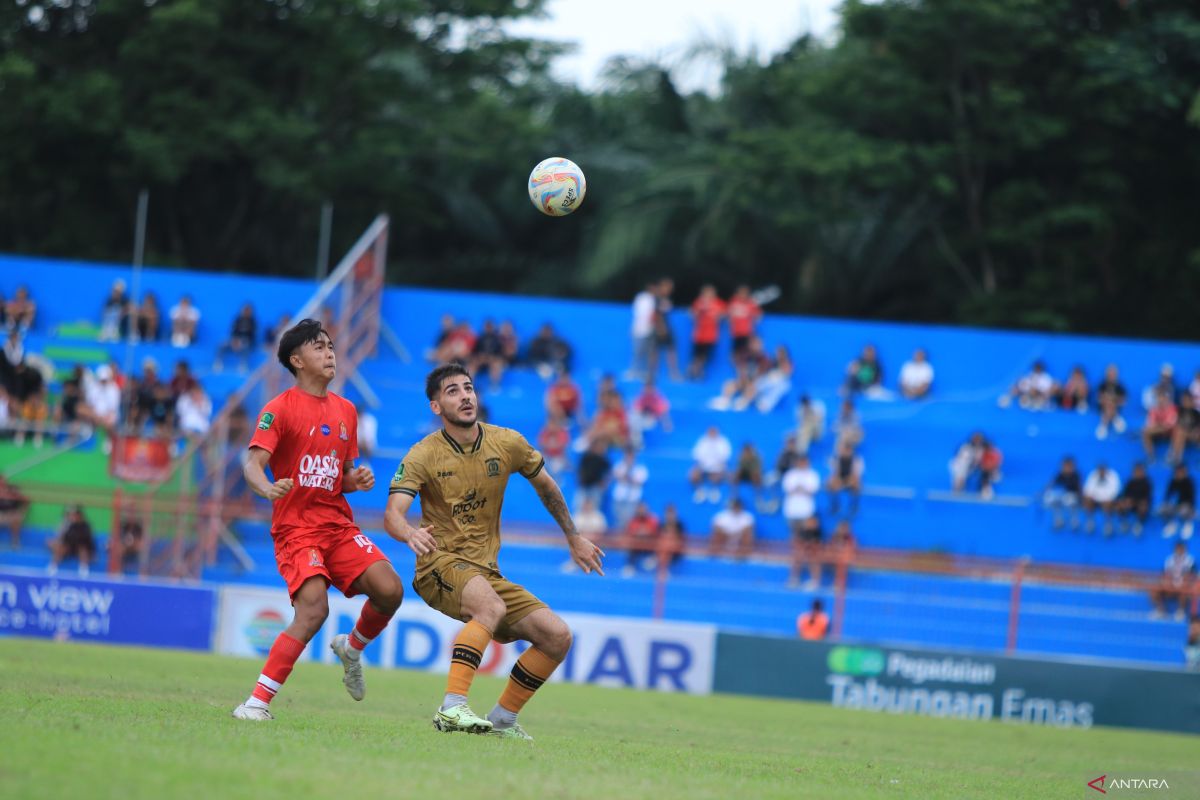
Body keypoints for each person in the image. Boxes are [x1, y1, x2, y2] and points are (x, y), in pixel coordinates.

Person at [384, 363, 606, 740]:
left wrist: (573, 536)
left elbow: (547, 486)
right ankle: (452, 708)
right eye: (452, 391)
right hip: (438, 563)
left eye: (468, 387)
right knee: (490, 607)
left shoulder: (506, 442)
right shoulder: (423, 454)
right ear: (436, 407)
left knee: (557, 636)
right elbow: (392, 514)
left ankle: (503, 719)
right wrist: (408, 533)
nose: (465, 395)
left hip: (485, 572)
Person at [232, 319, 406, 722]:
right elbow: (252, 465)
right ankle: (256, 703)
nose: (330, 353)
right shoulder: (278, 409)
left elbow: (338, 475)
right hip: (297, 529)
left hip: (337, 525)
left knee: (390, 589)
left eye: (330, 346)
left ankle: (353, 648)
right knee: (313, 611)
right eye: (319, 347)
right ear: (296, 360)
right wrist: (266, 488)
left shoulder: (346, 410)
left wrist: (355, 480)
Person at [687, 284, 725, 380]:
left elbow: (724, 315)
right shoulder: (699, 302)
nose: (709, 294)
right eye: (707, 292)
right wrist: (699, 312)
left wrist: (719, 316)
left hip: (711, 335)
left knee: (705, 356)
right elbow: (691, 314)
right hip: (699, 334)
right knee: (696, 355)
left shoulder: (718, 303)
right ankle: (692, 372)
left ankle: (699, 372)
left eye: (711, 292)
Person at [1150, 541, 1196, 621]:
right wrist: (1167, 582)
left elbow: (1191, 576)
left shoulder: (1190, 561)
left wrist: (1181, 583)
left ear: (1184, 549)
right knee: (1153, 589)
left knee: (1184, 589)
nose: (1179, 551)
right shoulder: (1169, 560)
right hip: (1170, 584)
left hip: (1183, 585)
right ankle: (1160, 610)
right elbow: (1164, 574)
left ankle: (1180, 611)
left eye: (1181, 549)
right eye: (1177, 549)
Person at [689, 426, 732, 504]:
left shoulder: (723, 441)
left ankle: (714, 489)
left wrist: (719, 466)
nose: (712, 433)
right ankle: (699, 491)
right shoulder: (702, 441)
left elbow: (726, 456)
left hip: (717, 467)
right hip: (703, 466)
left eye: (714, 431)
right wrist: (698, 466)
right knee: (692, 473)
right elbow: (696, 455)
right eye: (710, 431)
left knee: (719, 472)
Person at [611, 448, 649, 535]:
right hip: (619, 499)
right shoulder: (619, 465)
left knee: (628, 522)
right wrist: (628, 472)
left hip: (633, 500)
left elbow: (638, 481)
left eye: (631, 456)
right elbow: (618, 476)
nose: (629, 458)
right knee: (618, 522)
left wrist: (627, 478)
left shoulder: (640, 469)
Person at [48, 505, 94, 576]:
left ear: (79, 515)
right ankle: (52, 567)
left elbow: (86, 540)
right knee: (61, 548)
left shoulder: (85, 525)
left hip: (81, 548)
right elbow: (64, 538)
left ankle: (83, 569)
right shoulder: (69, 524)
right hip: (69, 547)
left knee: (83, 550)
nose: (72, 516)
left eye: (74, 515)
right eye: (71, 515)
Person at [1043, 456, 1083, 531]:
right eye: (1064, 466)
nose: (1066, 468)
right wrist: (1046, 489)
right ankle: (1058, 520)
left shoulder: (1076, 475)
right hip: (1063, 496)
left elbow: (1079, 489)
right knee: (1054, 500)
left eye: (1068, 466)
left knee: (1070, 501)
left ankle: (1074, 521)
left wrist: (1080, 498)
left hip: (1074, 497)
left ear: (1072, 466)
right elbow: (1053, 484)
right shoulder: (1060, 474)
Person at [215, 302, 257, 373]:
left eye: (248, 310)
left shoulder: (253, 322)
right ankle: (218, 362)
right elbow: (233, 332)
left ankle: (243, 365)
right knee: (221, 344)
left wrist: (241, 342)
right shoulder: (237, 320)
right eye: (244, 310)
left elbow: (252, 335)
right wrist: (234, 341)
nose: (246, 312)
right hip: (235, 340)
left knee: (246, 346)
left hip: (246, 341)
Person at [622, 501, 662, 576]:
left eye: (643, 508)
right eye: (640, 509)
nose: (641, 510)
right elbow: (631, 532)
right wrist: (640, 532)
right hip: (637, 545)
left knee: (658, 545)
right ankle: (630, 567)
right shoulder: (634, 520)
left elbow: (654, 531)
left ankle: (653, 560)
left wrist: (646, 532)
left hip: (650, 545)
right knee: (632, 548)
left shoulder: (652, 519)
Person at [1082, 462, 1121, 536]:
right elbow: (1087, 489)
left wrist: (1107, 498)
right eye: (1100, 470)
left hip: (1108, 499)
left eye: (1103, 470)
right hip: (1095, 499)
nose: (1101, 472)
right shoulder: (1093, 475)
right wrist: (1089, 496)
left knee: (1107, 504)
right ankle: (1090, 521)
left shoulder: (1113, 476)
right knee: (1087, 501)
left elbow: (1116, 490)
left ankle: (1108, 524)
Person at [827, 441, 865, 517]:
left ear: (851, 451)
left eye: (848, 450)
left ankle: (854, 505)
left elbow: (857, 475)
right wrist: (839, 481)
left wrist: (848, 482)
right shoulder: (835, 459)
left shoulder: (858, 460)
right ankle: (835, 505)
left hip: (851, 479)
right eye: (843, 450)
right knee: (830, 483)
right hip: (840, 479)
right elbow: (834, 474)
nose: (845, 452)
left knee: (857, 484)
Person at [727, 285, 762, 366]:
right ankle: (735, 366)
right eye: (741, 292)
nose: (743, 294)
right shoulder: (733, 301)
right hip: (735, 332)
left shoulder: (750, 302)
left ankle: (744, 367)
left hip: (746, 332)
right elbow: (727, 313)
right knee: (735, 351)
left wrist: (756, 319)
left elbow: (758, 314)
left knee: (746, 352)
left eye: (745, 293)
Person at [1160, 462, 1196, 540]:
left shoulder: (1189, 482)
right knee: (1163, 508)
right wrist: (1167, 503)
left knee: (1184, 509)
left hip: (1186, 504)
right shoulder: (1173, 481)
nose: (1179, 474)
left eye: (1181, 472)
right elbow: (1168, 495)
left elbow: (1192, 498)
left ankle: (1188, 524)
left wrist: (1190, 507)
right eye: (1177, 472)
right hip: (1174, 504)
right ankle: (1172, 524)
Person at [628, 281, 657, 379]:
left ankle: (644, 372)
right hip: (639, 329)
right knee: (637, 351)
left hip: (649, 329)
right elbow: (639, 313)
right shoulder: (641, 298)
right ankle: (634, 370)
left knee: (647, 352)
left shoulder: (654, 299)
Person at [1115, 462, 1152, 537]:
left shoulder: (1147, 483)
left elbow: (1147, 497)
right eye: (1136, 471)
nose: (1137, 473)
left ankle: (1139, 524)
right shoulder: (1130, 482)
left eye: (1139, 471)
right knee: (1120, 504)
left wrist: (1134, 500)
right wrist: (1126, 500)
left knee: (1143, 505)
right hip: (1130, 503)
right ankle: (1124, 522)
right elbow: (1124, 494)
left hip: (1142, 503)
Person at [1142, 391, 1178, 463]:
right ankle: (1151, 456)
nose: (1161, 400)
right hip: (1158, 432)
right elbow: (1150, 424)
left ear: (1167, 399)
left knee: (1178, 430)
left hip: (1169, 433)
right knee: (1144, 431)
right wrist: (1160, 427)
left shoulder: (1173, 408)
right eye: (1159, 398)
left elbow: (1170, 425)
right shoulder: (1153, 409)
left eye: (1163, 398)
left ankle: (1173, 455)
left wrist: (1159, 426)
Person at [1095, 363, 1128, 440]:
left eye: (1113, 374)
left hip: (1116, 407)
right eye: (1110, 374)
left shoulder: (1120, 387)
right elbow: (1099, 399)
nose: (1111, 376)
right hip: (1102, 408)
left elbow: (1124, 401)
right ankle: (1115, 419)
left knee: (1110, 403)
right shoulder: (1102, 385)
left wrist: (1112, 399)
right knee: (1108, 403)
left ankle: (1103, 426)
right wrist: (1110, 399)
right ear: (1106, 374)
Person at [1168, 393, 1200, 465]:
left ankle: (1174, 455)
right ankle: (1177, 457)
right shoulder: (1179, 411)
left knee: (1181, 432)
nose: (1186, 403)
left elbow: (1197, 428)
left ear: (1192, 402)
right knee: (1179, 432)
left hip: (1193, 435)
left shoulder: (1196, 413)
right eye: (1184, 400)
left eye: (1188, 401)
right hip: (1181, 434)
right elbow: (1174, 423)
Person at [0, 474, 30, 548]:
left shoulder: (12, 489)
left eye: (2, 479)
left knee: (16, 517)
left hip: (12, 513)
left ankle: (15, 541)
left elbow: (26, 500)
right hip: (1, 514)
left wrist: (22, 512)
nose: (2, 482)